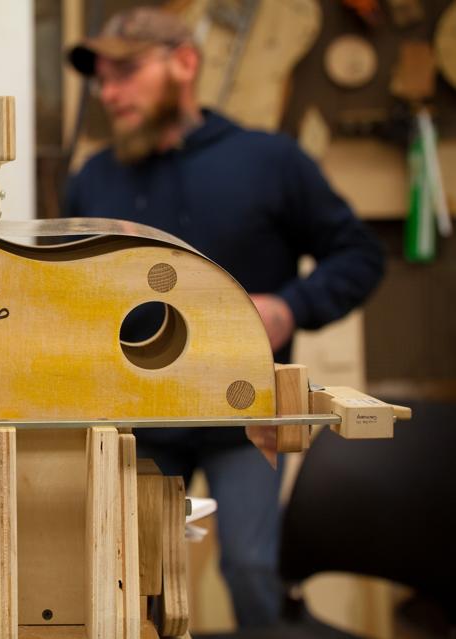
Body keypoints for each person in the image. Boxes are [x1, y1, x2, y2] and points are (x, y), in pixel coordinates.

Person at [64, 6, 384, 629]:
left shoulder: (270, 161)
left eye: (125, 72)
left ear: (184, 63)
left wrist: (292, 307)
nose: (108, 93)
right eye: (101, 79)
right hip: (142, 419)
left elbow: (360, 254)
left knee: (251, 569)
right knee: (132, 584)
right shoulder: (92, 180)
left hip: (246, 416)